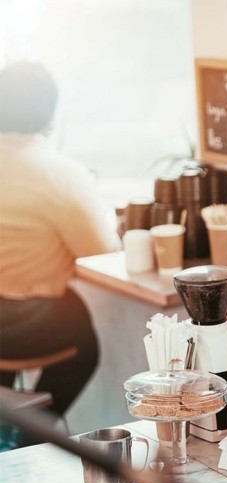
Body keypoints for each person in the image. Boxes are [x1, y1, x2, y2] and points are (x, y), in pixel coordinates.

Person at [0, 62, 121, 422]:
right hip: (29, 325)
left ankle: (12, 432)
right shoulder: (59, 174)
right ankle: (36, 430)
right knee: (84, 343)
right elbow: (101, 252)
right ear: (49, 113)